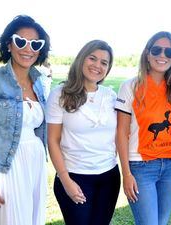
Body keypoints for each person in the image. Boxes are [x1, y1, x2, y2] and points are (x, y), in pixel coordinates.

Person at [0, 15, 50, 225]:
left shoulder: (40, 82)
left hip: (33, 164)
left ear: (40, 49)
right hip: (3, 166)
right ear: (9, 44)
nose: (28, 48)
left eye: (35, 44)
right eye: (20, 41)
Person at [115, 31, 171, 225]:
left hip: (170, 167)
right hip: (140, 167)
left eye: (168, 52)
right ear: (147, 53)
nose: (162, 55)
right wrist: (127, 173)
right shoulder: (130, 86)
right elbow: (121, 133)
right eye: (157, 50)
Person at [46, 40, 120, 225]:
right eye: (92, 58)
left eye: (104, 62)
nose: (97, 65)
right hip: (74, 176)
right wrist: (65, 179)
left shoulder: (110, 95)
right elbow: (53, 140)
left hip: (109, 176)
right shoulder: (60, 94)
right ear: (81, 60)